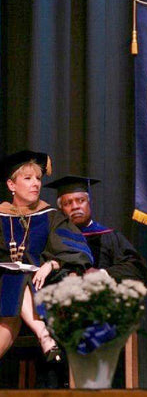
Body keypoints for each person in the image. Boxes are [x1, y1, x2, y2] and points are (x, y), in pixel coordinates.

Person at [0, 151, 92, 362]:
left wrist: (52, 264)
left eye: (39, 178)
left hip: (38, 286)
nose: (36, 184)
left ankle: (45, 335)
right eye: (28, 178)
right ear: (11, 185)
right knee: (13, 281)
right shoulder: (1, 214)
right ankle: (43, 334)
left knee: (16, 288)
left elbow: (78, 251)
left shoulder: (50, 217)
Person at [45, 175, 147, 283]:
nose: (75, 207)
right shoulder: (55, 239)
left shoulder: (109, 236)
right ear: (61, 210)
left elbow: (137, 267)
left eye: (81, 200)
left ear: (89, 203)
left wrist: (103, 274)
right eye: (68, 203)